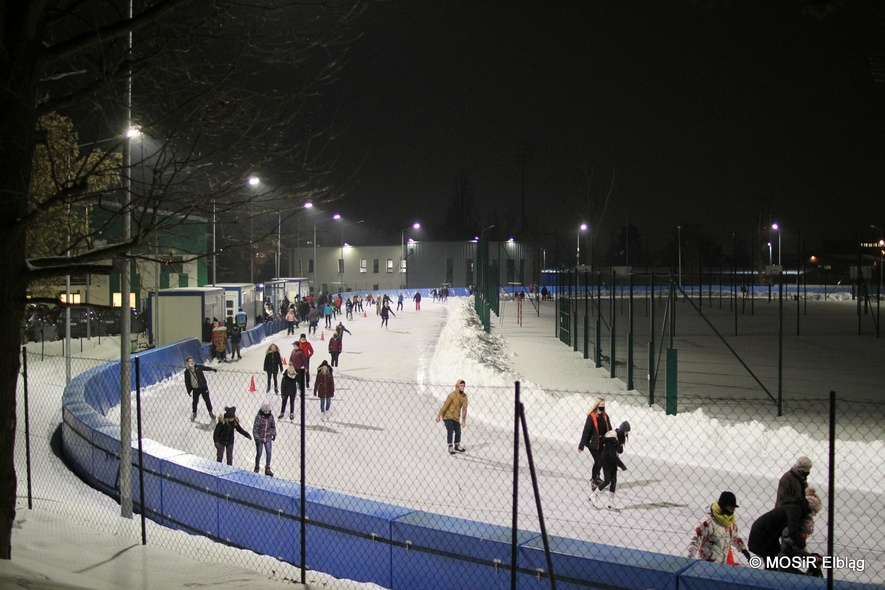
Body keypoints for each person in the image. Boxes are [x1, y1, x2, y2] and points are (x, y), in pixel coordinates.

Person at [748, 488, 822, 567]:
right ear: (810, 509)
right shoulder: (795, 510)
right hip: (761, 536)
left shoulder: (795, 507)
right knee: (774, 562)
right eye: (814, 512)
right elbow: (793, 533)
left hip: (764, 534)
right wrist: (804, 549)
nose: (814, 515)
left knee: (774, 561)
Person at [687, 491, 752, 564]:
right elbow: (695, 541)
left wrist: (743, 550)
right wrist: (690, 559)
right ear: (723, 506)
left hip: (722, 565)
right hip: (706, 564)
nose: (732, 510)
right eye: (730, 507)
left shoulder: (730, 522)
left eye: (733, 508)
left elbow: (734, 537)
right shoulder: (709, 522)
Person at [589, 421, 630, 510]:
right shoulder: (611, 438)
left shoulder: (620, 436)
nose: (627, 434)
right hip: (606, 460)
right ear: (623, 430)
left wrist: (620, 445)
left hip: (613, 461)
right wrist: (621, 465)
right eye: (626, 431)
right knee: (607, 481)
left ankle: (611, 501)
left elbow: (619, 451)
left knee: (614, 481)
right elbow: (611, 454)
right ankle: (593, 495)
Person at [577, 397, 612, 489]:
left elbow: (609, 429)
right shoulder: (591, 416)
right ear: (597, 405)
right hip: (592, 443)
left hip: (602, 442)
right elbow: (586, 432)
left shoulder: (605, 416)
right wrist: (581, 445)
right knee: (598, 460)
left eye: (604, 405)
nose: (603, 407)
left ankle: (597, 476)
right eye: (601, 405)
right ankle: (594, 479)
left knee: (601, 460)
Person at [435, 379, 468, 454]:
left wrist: (463, 420)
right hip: (447, 415)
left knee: (458, 431)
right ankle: (450, 446)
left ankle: (457, 445)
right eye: (461, 385)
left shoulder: (464, 397)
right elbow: (445, 405)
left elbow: (464, 409)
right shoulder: (452, 395)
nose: (462, 387)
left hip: (456, 417)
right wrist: (439, 415)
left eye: (464, 386)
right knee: (450, 429)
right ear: (457, 386)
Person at [183, 356, 216, 422]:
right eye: (190, 361)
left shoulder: (198, 367)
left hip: (203, 387)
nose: (191, 362)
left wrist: (212, 369)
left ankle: (210, 412)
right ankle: (194, 413)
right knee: (195, 402)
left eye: (192, 361)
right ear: (187, 363)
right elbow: (187, 382)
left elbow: (205, 368)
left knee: (207, 400)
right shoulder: (187, 372)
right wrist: (189, 391)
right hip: (195, 389)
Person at [252, 401, 276, 476]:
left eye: (268, 411)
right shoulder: (258, 417)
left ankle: (267, 468)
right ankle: (257, 467)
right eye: (265, 411)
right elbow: (255, 429)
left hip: (268, 437)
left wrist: (273, 433)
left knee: (269, 452)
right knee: (259, 452)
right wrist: (257, 438)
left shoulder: (271, 417)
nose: (266, 412)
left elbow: (273, 426)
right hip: (260, 438)